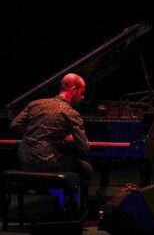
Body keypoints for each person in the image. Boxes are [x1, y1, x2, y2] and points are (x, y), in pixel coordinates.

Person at [10, 73, 92, 210]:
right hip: (48, 161)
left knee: (63, 166)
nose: (83, 97)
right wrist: (67, 140)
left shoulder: (35, 104)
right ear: (73, 90)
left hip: (25, 159)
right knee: (86, 169)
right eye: (82, 93)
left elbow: (14, 127)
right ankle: (74, 209)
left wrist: (35, 131)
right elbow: (84, 148)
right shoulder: (71, 113)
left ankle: (57, 202)